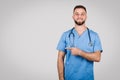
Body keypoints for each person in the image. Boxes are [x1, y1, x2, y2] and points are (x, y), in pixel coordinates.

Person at [56, 5, 103, 80]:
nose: (79, 16)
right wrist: (61, 78)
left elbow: (98, 58)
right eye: (77, 14)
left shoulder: (94, 36)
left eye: (82, 14)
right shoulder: (66, 35)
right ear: (73, 16)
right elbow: (60, 58)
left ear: (86, 16)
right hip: (69, 77)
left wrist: (80, 52)